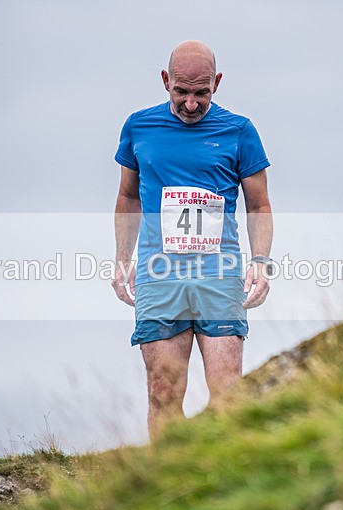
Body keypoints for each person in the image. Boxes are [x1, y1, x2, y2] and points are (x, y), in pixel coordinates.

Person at [112, 40, 273, 440]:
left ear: (217, 84)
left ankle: (228, 485)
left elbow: (259, 205)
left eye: (201, 93)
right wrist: (121, 258)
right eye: (181, 92)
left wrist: (261, 262)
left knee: (227, 393)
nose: (190, 104)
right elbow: (128, 196)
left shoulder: (239, 131)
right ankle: (168, 487)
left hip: (219, 274)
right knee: (163, 393)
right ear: (165, 81)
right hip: (158, 274)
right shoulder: (139, 126)